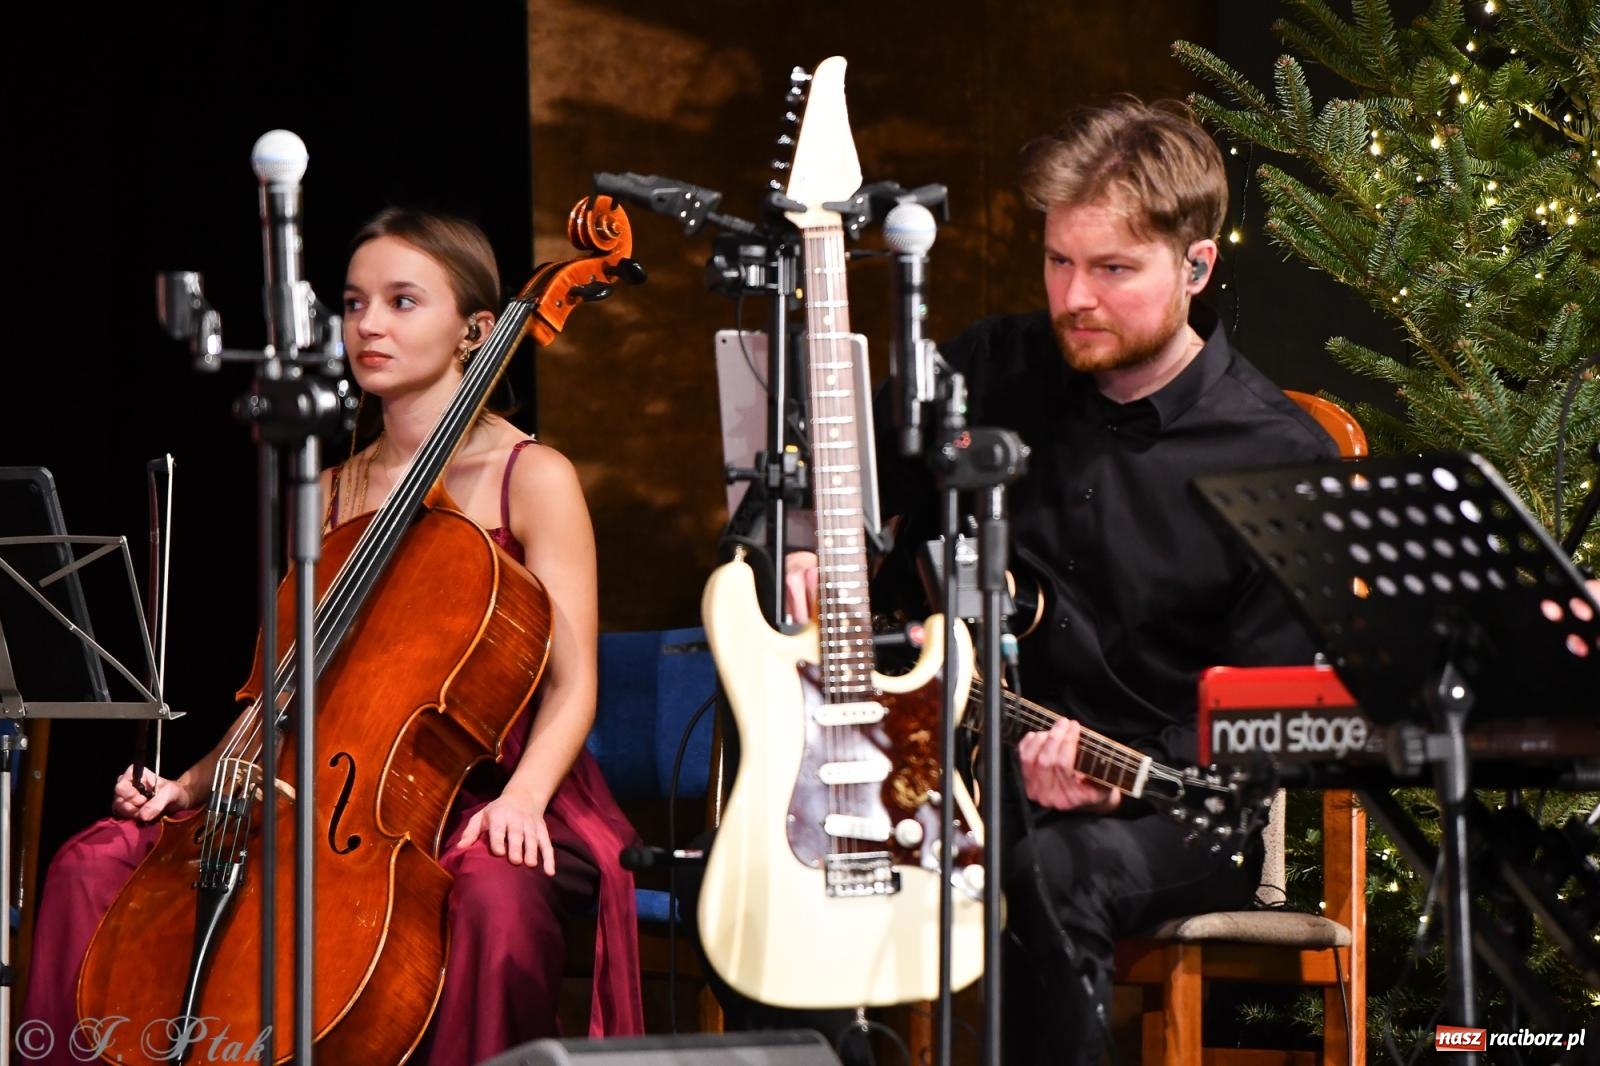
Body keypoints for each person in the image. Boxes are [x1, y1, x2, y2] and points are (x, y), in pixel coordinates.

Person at [770, 96, 1340, 1063]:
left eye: (1114, 270)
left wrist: (1122, 779)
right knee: (804, 851)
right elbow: (839, 471)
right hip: (958, 761)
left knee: (1049, 870)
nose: (1074, 296)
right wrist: (812, 536)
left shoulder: (1277, 460)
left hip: (1176, 808)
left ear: (1196, 268)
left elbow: (1266, 727)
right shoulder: (994, 368)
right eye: (1058, 261)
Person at [20, 207, 644, 1064]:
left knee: (494, 899)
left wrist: (524, 799)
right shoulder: (329, 492)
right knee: (92, 863)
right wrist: (191, 786)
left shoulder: (531, 477)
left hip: (491, 781)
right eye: (354, 304)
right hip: (322, 794)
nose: (370, 326)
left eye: (402, 301)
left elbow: (573, 684)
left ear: (478, 329)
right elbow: (284, 694)